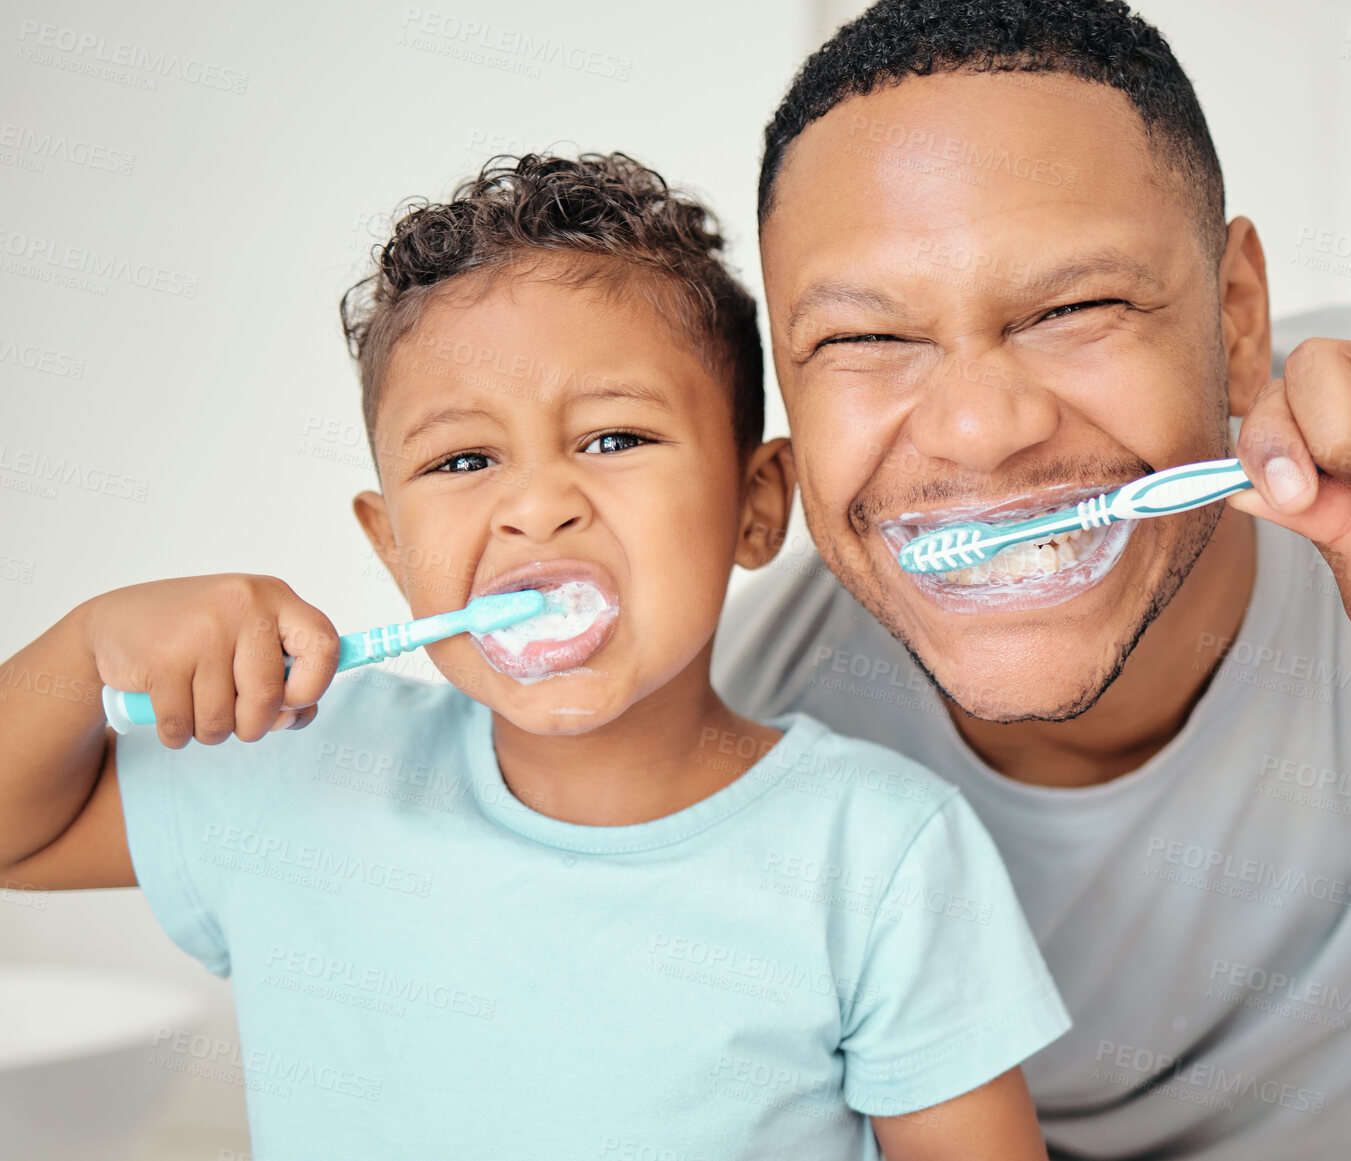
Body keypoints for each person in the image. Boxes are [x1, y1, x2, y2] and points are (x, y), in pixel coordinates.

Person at [712, 1, 1351, 1157]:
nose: (983, 429)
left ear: (1237, 317)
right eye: (862, 341)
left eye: (1074, 308)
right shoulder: (749, 754)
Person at [0, 153, 1071, 1161]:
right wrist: (87, 639)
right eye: (464, 459)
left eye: (614, 439)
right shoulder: (297, 769)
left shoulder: (878, 856)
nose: (535, 506)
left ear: (755, 507)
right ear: (393, 547)